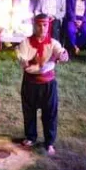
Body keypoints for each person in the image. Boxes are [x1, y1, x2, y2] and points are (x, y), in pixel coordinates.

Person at [17, 14, 68, 156]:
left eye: (45, 25)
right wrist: (36, 62)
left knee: (50, 113)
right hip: (30, 83)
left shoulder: (53, 43)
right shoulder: (26, 43)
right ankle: (30, 137)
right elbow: (23, 61)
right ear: (34, 25)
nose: (42, 28)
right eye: (39, 25)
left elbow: (61, 52)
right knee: (29, 111)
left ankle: (49, 142)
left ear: (48, 26)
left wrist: (62, 55)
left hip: (48, 85)